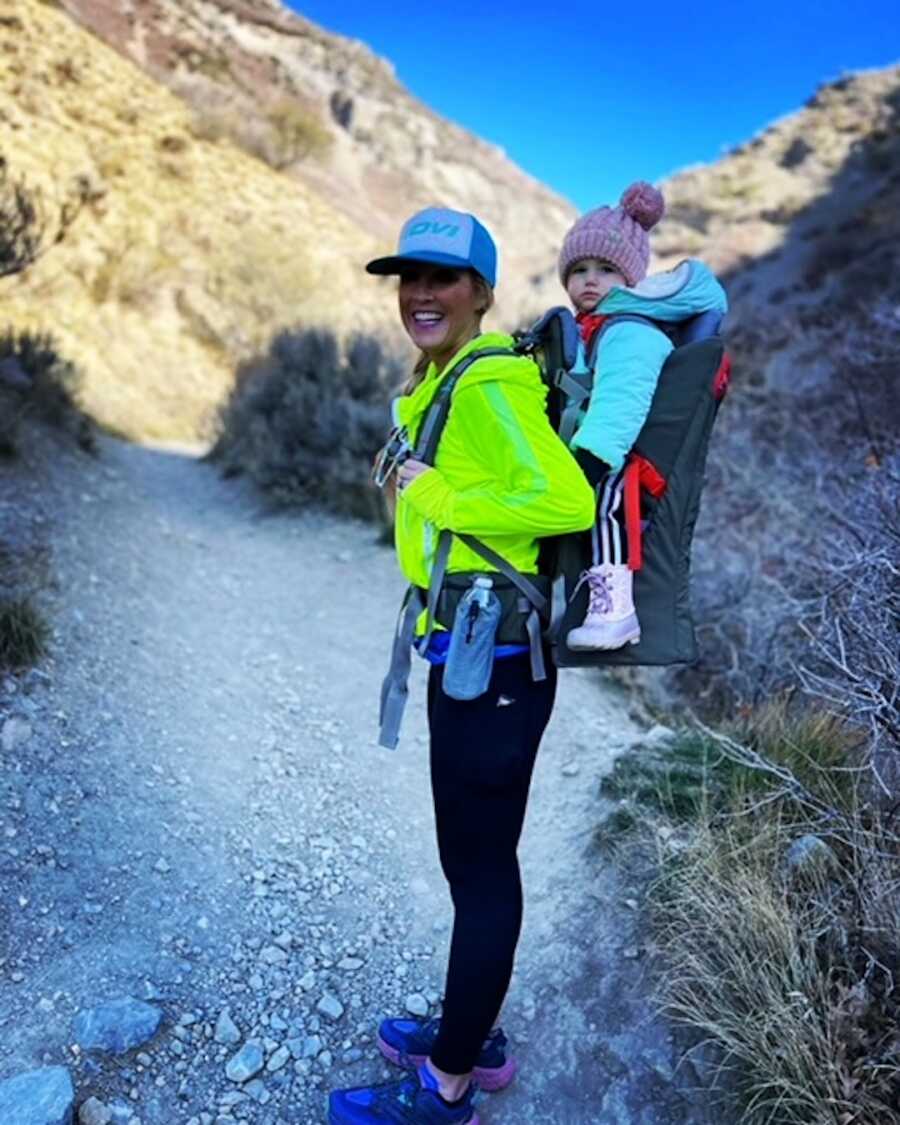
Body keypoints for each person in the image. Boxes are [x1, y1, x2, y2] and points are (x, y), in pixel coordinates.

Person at [327, 208, 595, 1125]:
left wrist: (438, 489)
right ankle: (471, 1037)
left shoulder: (487, 385)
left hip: (500, 664)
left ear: (481, 290)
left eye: (442, 279)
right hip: (478, 653)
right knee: (473, 862)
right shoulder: (445, 382)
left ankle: (446, 1087)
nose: (420, 295)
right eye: (409, 278)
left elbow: (559, 497)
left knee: (481, 873)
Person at [558, 181, 727, 651]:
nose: (590, 280)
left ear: (631, 279)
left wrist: (591, 459)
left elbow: (622, 401)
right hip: (606, 444)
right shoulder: (590, 329)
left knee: (607, 504)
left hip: (622, 455)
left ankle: (616, 612)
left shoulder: (629, 330)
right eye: (579, 269)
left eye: (606, 269)